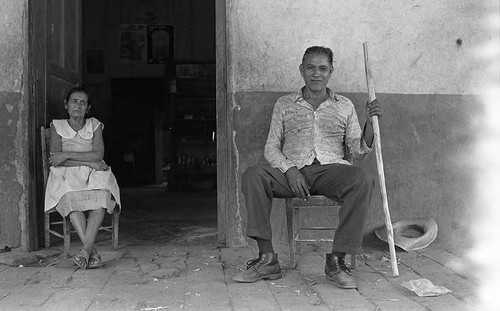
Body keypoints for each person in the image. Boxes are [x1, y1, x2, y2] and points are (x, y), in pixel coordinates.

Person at [233, 46, 383, 289]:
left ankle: (336, 261)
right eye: (310, 67)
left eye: (322, 68)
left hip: (330, 171)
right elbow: (271, 148)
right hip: (291, 173)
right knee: (253, 175)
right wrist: (289, 169)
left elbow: (358, 150)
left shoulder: (344, 105)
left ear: (331, 71)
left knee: (363, 179)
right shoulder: (284, 104)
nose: (316, 73)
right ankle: (267, 259)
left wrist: (370, 121)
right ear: (301, 70)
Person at [44, 87, 121, 269]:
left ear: (88, 108)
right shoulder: (57, 126)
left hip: (93, 173)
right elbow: (56, 159)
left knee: (102, 195)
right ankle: (90, 251)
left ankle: (85, 251)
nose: (78, 105)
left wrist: (67, 155)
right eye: (74, 101)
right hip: (65, 174)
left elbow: (98, 154)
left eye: (83, 102)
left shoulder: (95, 125)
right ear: (66, 105)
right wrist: (89, 161)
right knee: (70, 196)